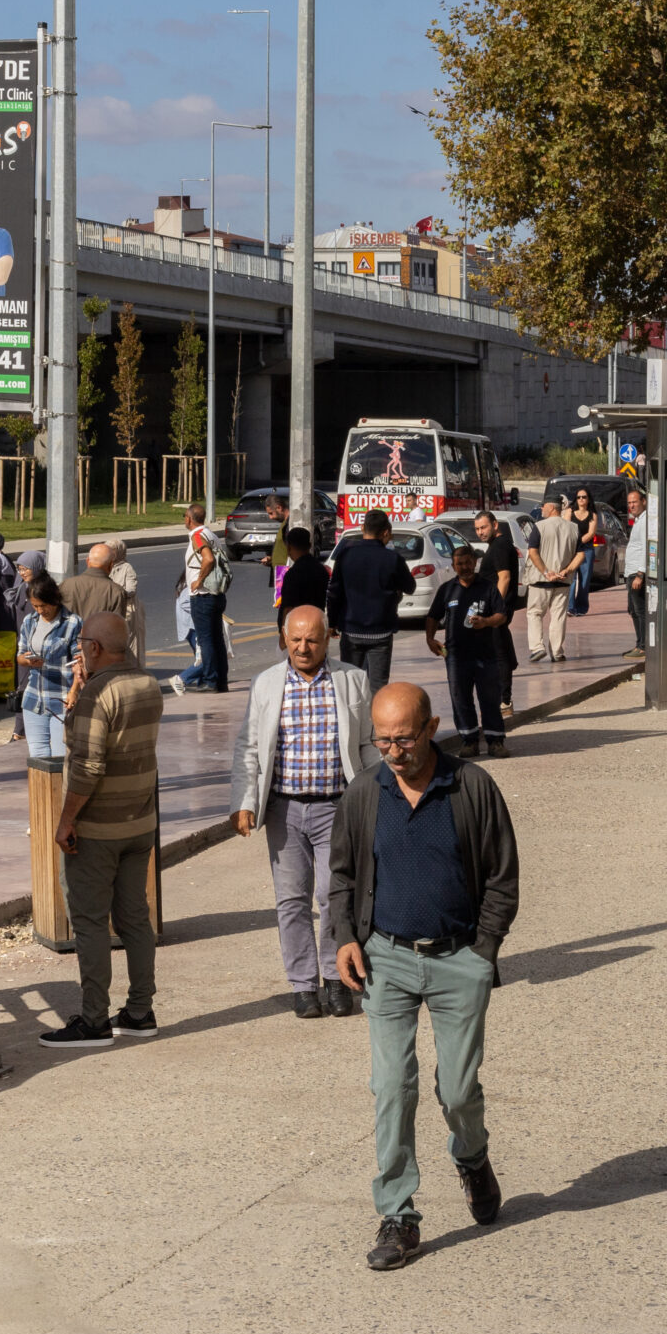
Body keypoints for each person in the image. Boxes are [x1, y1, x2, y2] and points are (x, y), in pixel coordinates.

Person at [330, 683, 520, 1272]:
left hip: (458, 958)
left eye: (404, 738)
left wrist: (483, 954)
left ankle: (472, 1155)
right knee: (392, 1087)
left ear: (432, 725)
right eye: (382, 739)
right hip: (385, 958)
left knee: (459, 1090)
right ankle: (398, 1215)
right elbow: (340, 876)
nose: (393, 750)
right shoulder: (366, 792)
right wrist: (343, 939)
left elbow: (502, 877)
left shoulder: (471, 788)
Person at [231, 604, 379, 1019]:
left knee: (334, 897)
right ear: (283, 638)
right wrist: (243, 802)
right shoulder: (266, 684)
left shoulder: (353, 681)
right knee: (291, 901)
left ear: (328, 637)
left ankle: (338, 978)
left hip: (338, 807)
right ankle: (302, 985)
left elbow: (367, 743)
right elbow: (249, 746)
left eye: (311, 639)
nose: (302, 647)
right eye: (294, 639)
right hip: (284, 809)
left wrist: (379, 796)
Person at [41, 612, 165, 1048]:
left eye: (81, 646)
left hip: (98, 829)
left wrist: (66, 819)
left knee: (90, 921)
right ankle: (139, 1010)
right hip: (139, 823)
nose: (78, 652)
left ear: (94, 648)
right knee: (134, 917)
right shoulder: (148, 684)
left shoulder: (98, 693)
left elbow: (88, 765)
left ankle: (94, 1020)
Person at [425, 545, 509, 758]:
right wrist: (430, 639)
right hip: (455, 656)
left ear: (474, 562)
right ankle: (469, 741)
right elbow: (433, 616)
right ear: (454, 566)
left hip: (486, 655)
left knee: (489, 698)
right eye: (460, 564)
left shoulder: (488, 587)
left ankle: (495, 741)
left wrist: (486, 621)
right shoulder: (447, 589)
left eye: (468, 563)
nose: (465, 567)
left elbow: (502, 616)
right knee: (460, 698)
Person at [326, 511, 414, 688]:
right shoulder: (392, 559)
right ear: (386, 532)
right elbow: (410, 587)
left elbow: (334, 592)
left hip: (351, 631)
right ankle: (375, 716)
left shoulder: (345, 555)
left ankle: (353, 716)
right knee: (378, 687)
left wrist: (332, 623)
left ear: (362, 528)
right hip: (381, 632)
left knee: (351, 684)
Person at [16, 573, 81, 771]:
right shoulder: (30, 621)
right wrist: (27, 661)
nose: (40, 610)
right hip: (34, 698)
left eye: (44, 605)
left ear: (54, 599)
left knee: (60, 757)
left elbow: (80, 662)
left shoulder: (72, 623)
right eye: (35, 606)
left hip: (61, 698)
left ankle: (61, 801)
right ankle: (43, 802)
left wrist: (74, 691)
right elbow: (19, 655)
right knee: (38, 756)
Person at [168, 504, 229, 695]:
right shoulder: (211, 534)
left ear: (189, 518)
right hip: (217, 595)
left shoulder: (196, 535)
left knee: (206, 639)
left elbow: (208, 559)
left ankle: (210, 681)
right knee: (217, 639)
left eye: (184, 516)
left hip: (203, 595)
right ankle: (221, 681)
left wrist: (198, 581)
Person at [523, 497, 581, 664]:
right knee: (559, 616)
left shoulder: (539, 526)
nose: (541, 509)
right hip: (563, 580)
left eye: (543, 506)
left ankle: (537, 648)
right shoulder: (573, 528)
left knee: (535, 613)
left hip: (540, 580)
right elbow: (580, 554)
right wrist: (567, 570)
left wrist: (546, 572)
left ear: (551, 508)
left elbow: (533, 552)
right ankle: (556, 652)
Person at [473, 511, 521, 710]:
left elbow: (504, 578)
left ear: (494, 525)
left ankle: (504, 699)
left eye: (483, 527)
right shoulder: (496, 545)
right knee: (502, 649)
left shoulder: (500, 545)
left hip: (496, 611)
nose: (480, 532)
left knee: (499, 653)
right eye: (477, 529)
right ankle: (504, 695)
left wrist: (497, 608)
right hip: (494, 609)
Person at [60, 541, 130, 626]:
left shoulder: (66, 585)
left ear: (87, 561)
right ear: (111, 565)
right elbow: (116, 627)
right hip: (99, 638)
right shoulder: (116, 592)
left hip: (69, 638)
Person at [277, 525, 328, 632]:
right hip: (318, 625)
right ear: (310, 546)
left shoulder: (293, 574)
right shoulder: (321, 570)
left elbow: (288, 607)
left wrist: (283, 633)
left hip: (297, 628)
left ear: (289, 547)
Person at [620, 486, 650, 658]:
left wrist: (640, 574)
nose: (631, 506)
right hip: (630, 573)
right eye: (629, 503)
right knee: (633, 610)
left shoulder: (645, 521)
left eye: (635, 502)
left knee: (639, 610)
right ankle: (639, 643)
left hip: (637, 574)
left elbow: (647, 548)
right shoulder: (638, 520)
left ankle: (644, 646)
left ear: (643, 502)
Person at [564, 487, 602, 618]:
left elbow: (591, 533)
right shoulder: (569, 511)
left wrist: (579, 541)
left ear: (588, 499)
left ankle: (581, 608)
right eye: (579, 497)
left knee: (584, 581)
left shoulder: (593, 514)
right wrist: (573, 544)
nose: (581, 499)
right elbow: (565, 528)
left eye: (584, 497)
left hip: (586, 550)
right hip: (571, 550)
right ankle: (570, 607)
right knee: (571, 578)